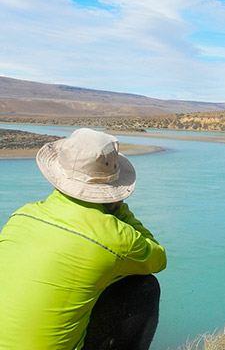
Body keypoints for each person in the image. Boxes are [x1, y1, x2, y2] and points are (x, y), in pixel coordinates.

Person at [0, 128, 167, 349]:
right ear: (112, 189)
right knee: (144, 286)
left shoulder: (21, 216)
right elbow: (158, 258)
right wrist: (119, 209)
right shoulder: (115, 239)